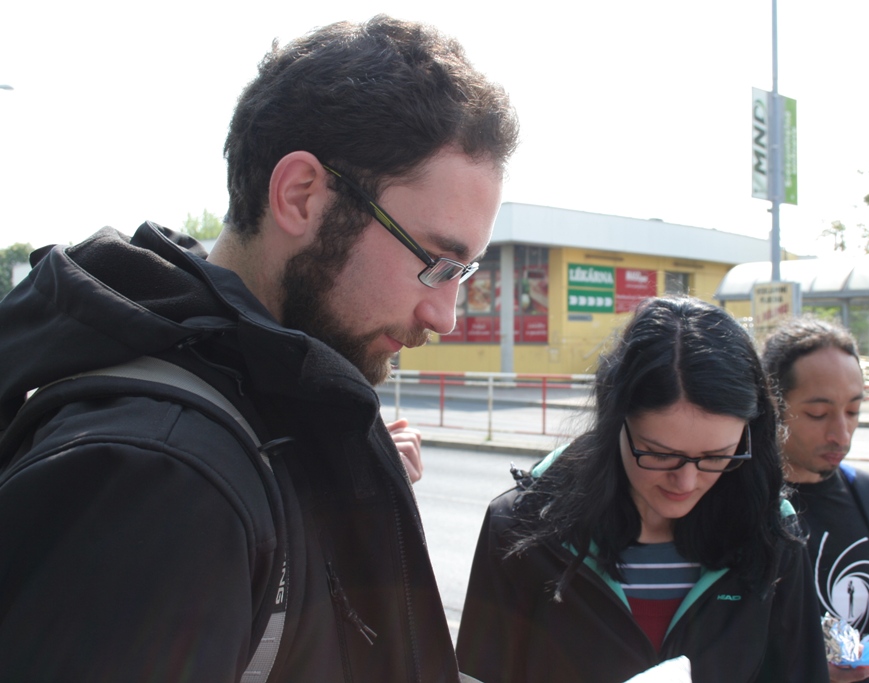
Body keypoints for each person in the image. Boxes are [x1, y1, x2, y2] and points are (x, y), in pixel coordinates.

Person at [0, 15, 517, 682]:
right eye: (435, 262)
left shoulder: (273, 414)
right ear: (300, 196)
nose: (444, 315)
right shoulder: (164, 481)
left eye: (462, 274)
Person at [456, 297, 829, 683]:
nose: (686, 482)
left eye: (717, 456)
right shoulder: (522, 525)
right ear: (616, 419)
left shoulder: (770, 531)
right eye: (660, 454)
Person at [761, 317, 869, 683]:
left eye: (853, 411)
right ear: (772, 403)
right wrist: (806, 667)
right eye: (818, 413)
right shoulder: (736, 504)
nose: (842, 434)